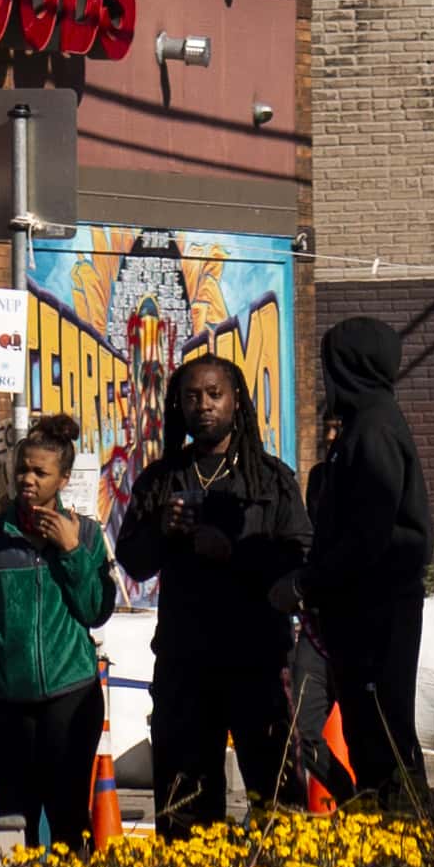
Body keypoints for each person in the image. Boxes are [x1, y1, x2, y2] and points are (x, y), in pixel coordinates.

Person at [116, 351, 307, 829]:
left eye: (214, 394)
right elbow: (133, 560)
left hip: (256, 661)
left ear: (236, 399)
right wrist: (162, 529)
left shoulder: (270, 478)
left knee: (276, 801)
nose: (203, 405)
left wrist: (235, 553)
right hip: (185, 662)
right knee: (184, 806)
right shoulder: (163, 479)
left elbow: (301, 557)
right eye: (191, 396)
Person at [301, 313, 434, 808]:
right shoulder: (364, 426)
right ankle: (373, 815)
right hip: (362, 612)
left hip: (376, 612)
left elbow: (369, 534)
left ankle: (401, 831)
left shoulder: (374, 430)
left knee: (384, 738)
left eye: (330, 366)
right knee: (369, 738)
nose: (325, 380)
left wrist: (305, 582)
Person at [0, 414, 118, 851]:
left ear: (63, 479)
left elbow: (96, 611)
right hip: (3, 702)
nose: (27, 479)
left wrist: (71, 551)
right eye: (22, 470)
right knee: (15, 821)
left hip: (70, 697)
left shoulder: (86, 534)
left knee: (69, 817)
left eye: (40, 473)